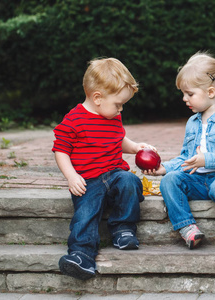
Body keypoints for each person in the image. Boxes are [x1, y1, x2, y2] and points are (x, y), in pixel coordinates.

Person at [143, 52, 215, 252]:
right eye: (183, 94)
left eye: (189, 94)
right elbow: (186, 158)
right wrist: (164, 168)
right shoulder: (193, 122)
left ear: (211, 92)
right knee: (170, 181)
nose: (184, 99)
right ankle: (187, 227)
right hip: (198, 180)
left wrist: (207, 160)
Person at [52, 57, 154, 280]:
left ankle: (123, 229)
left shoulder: (113, 117)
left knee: (130, 181)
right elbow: (61, 151)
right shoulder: (74, 120)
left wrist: (136, 148)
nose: (121, 110)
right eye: (118, 104)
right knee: (86, 213)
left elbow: (119, 140)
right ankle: (82, 254)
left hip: (114, 173)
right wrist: (71, 177)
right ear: (97, 98)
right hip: (88, 179)